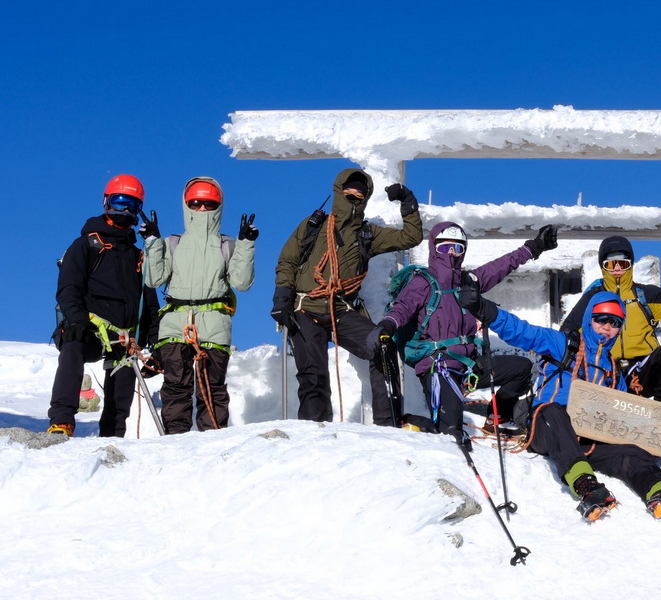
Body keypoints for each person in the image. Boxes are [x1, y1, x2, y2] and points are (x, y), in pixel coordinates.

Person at [459, 278, 661, 522]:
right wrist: (483, 308)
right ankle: (586, 484)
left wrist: (656, 422)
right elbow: (521, 331)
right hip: (550, 430)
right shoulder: (562, 344)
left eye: (615, 322)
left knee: (631, 451)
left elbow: (625, 411)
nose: (607, 326)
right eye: (601, 319)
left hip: (589, 439)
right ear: (589, 319)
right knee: (552, 411)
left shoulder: (612, 369)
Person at [559, 235, 661, 475]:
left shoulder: (644, 296)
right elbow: (568, 331)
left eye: (623, 263)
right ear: (603, 266)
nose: (617, 269)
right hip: (607, 373)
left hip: (641, 372)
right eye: (610, 264)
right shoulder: (594, 298)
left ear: (631, 265)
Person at [372, 222, 555, 439]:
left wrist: (534, 247)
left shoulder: (468, 282)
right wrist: (387, 325)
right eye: (445, 247)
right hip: (439, 367)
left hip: (469, 366)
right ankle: (410, 421)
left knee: (521, 368)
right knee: (451, 433)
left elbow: (500, 266)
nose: (451, 253)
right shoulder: (423, 283)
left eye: (457, 248)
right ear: (434, 248)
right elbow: (402, 308)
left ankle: (497, 418)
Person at [271, 169, 423, 423]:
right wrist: (282, 298)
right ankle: (315, 428)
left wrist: (407, 202)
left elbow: (411, 236)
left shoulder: (368, 233)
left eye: (360, 192)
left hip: (341, 309)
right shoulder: (313, 225)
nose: (354, 195)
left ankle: (388, 422)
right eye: (349, 190)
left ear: (366, 197)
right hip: (305, 306)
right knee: (313, 373)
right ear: (339, 190)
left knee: (382, 346)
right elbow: (288, 259)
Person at [48, 174, 160, 437]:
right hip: (89, 328)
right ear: (106, 202)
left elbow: (150, 305)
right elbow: (69, 287)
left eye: (132, 205)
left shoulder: (139, 256)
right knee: (73, 348)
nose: (124, 210)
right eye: (119, 201)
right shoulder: (86, 245)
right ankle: (62, 421)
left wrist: (155, 343)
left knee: (123, 377)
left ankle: (113, 436)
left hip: (125, 336)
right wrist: (76, 318)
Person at [143, 177, 256, 433]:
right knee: (176, 386)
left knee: (211, 387)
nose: (202, 208)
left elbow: (241, 282)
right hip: (175, 321)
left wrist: (246, 245)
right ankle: (176, 440)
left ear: (218, 206)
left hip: (214, 322)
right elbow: (153, 279)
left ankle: (211, 441)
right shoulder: (172, 243)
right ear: (186, 205)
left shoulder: (229, 245)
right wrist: (152, 242)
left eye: (208, 204)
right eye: (195, 203)